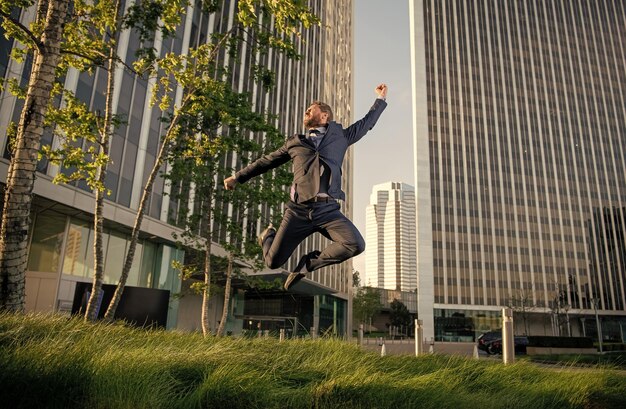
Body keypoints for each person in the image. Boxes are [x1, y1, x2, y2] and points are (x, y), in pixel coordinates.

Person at [224, 83, 388, 290]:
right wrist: (237, 177)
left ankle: (307, 265)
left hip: (327, 210)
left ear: (325, 116)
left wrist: (380, 99)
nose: (306, 110)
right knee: (273, 261)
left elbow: (367, 123)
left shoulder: (341, 137)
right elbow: (266, 161)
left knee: (355, 244)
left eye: (312, 107)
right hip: (297, 211)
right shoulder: (295, 142)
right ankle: (267, 236)